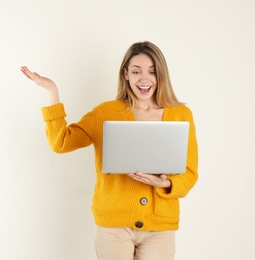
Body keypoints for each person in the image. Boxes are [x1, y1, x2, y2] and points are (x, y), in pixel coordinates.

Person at [21, 41, 198, 260]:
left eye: (152, 72)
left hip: (159, 227)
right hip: (113, 227)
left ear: (161, 75)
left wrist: (165, 183)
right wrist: (52, 91)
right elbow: (61, 143)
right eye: (136, 71)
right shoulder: (106, 112)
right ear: (125, 74)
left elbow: (189, 173)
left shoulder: (181, 115)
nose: (144, 79)